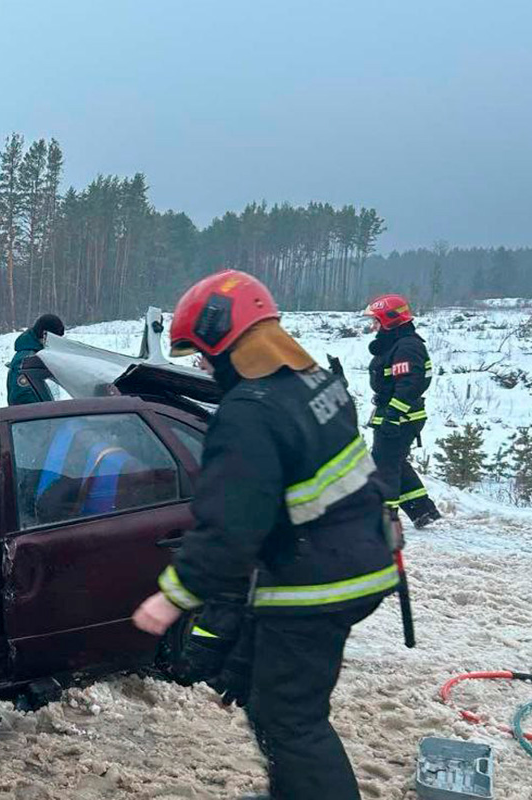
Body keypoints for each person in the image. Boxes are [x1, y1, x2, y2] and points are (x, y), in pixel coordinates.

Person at [132, 270, 399, 800]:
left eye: (205, 355)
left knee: (292, 720)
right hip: (360, 558)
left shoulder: (248, 413)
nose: (205, 368)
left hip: (318, 581)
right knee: (269, 700)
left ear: (227, 340)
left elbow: (231, 526)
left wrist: (173, 597)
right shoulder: (315, 383)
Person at [363, 294, 441, 529]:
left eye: (376, 321)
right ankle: (422, 510)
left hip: (402, 416)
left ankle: (385, 519)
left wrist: (394, 415)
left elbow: (410, 384)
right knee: (394, 460)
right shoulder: (395, 343)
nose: (373, 326)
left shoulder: (407, 346)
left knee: (384, 464)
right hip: (394, 413)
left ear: (389, 320)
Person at [6, 313, 65, 405]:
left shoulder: (38, 354)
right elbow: (23, 398)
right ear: (45, 335)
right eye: (55, 338)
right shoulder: (27, 360)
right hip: (33, 417)